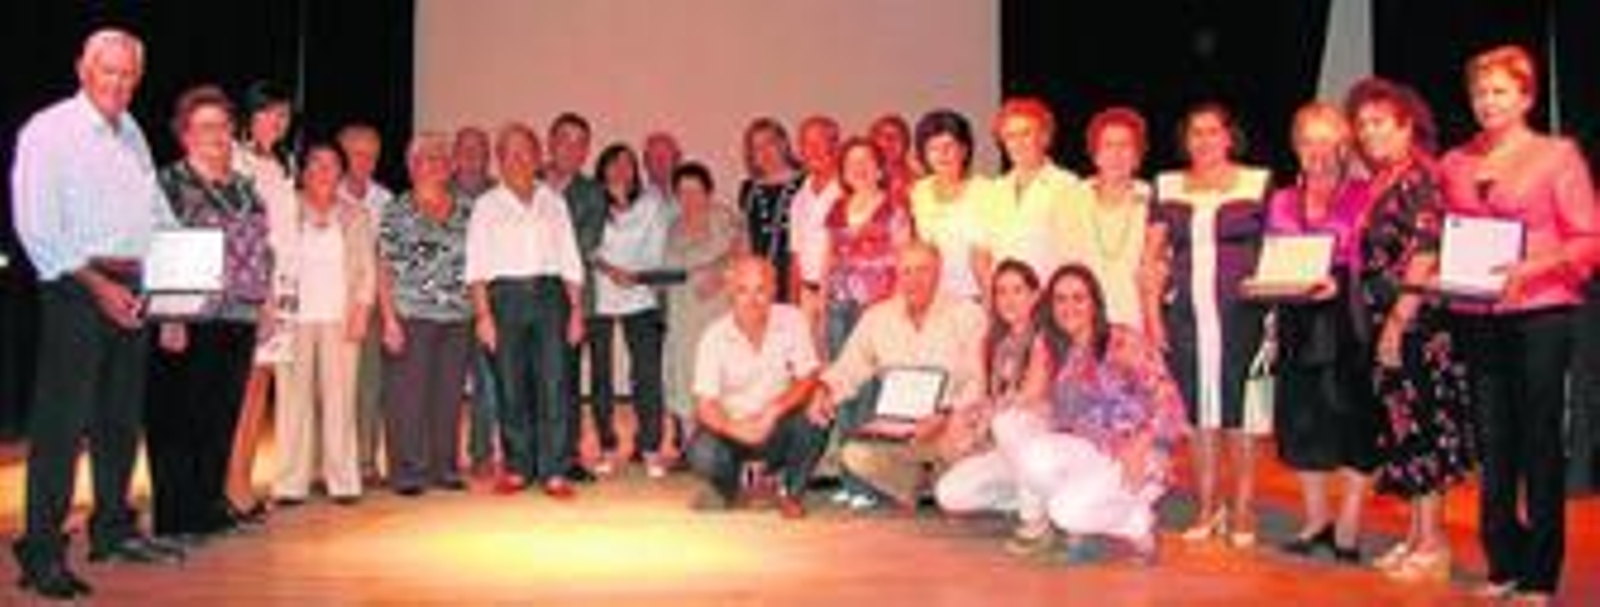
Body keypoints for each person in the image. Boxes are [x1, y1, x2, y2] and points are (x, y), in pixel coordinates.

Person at [10, 28, 183, 599]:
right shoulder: (49, 131)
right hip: (75, 287)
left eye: (129, 73)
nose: (119, 82)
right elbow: (37, 227)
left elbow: (154, 212)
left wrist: (174, 289)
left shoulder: (131, 131)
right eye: (109, 70)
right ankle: (40, 549)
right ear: (83, 70)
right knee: (61, 425)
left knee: (119, 419)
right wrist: (97, 285)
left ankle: (111, 530)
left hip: (131, 286)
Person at [1439, 45, 1598, 603]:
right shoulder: (1456, 161)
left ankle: (1540, 573)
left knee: (1538, 440)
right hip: (1478, 313)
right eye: (1480, 92)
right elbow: (1449, 232)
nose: (1488, 102)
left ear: (1527, 97)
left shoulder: (1557, 155)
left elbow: (1588, 238)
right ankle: (1503, 562)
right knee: (1493, 440)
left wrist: (1531, 268)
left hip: (1541, 312)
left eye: (1500, 91)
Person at [1345, 77, 1476, 583]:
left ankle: (1435, 544)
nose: (1368, 132)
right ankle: (1417, 536)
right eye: (1362, 124)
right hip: (1389, 320)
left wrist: (1398, 323)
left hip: (1417, 322)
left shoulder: (1421, 177)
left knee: (1424, 427)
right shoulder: (1386, 178)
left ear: (1407, 126)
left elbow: (1424, 253)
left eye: (1379, 122)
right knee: (1404, 427)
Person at [992, 264, 1188, 563]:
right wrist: (990, 413)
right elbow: (1051, 411)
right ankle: (1120, 518)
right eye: (1060, 299)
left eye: (1078, 298)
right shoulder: (1063, 352)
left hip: (1136, 454)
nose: (1069, 307)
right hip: (1092, 452)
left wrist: (1142, 442)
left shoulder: (1122, 340)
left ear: (1095, 302)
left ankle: (1138, 522)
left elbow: (1170, 401)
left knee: (1064, 513)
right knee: (1032, 453)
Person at [145, 85, 272, 543]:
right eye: (204, 127)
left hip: (238, 315)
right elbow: (154, 246)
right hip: (188, 317)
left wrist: (266, 304)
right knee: (179, 417)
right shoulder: (168, 184)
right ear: (185, 134)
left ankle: (208, 507)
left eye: (222, 125)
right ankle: (177, 516)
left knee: (220, 416)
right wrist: (170, 315)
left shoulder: (244, 186)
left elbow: (263, 247)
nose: (215, 135)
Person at [1148, 102, 1271, 548]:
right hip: (1186, 317)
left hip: (1243, 315)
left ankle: (1243, 507)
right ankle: (1207, 506)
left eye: (1212, 131)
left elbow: (1274, 249)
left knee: (1240, 412)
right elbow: (1151, 259)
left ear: (1229, 136)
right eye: (1195, 132)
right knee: (1199, 414)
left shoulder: (1257, 182)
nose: (1204, 140)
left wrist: (1275, 311)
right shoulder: (1167, 185)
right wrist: (1152, 317)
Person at [1265, 102, 1379, 563]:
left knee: (1354, 418)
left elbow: (1376, 259)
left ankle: (1348, 523)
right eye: (1308, 141)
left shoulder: (1364, 194)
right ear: (1296, 147)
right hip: (1297, 318)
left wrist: (1342, 282)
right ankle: (1315, 520)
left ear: (1344, 147)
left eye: (1327, 142)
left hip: (1347, 317)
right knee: (1302, 419)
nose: (1317, 152)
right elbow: (1272, 258)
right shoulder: (1281, 200)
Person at [811, 242, 987, 510]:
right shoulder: (877, 317)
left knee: (964, 456)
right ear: (898, 274)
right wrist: (825, 391)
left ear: (938, 272)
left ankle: (933, 483)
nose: (914, 280)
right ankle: (926, 484)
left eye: (923, 270)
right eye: (907, 271)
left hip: (952, 427)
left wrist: (945, 415)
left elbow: (977, 380)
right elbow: (849, 367)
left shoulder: (967, 313)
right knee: (854, 454)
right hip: (900, 433)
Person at [466, 122, 586, 499]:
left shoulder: (554, 202)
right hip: (504, 299)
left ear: (537, 157)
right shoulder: (486, 205)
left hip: (551, 297)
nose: (518, 158)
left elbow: (570, 258)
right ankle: (518, 467)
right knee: (510, 384)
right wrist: (483, 315)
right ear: (499, 160)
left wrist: (576, 310)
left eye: (525, 151)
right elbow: (476, 264)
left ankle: (554, 471)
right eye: (510, 152)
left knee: (554, 383)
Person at [272, 143, 377, 507]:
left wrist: (362, 309)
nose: (322, 170)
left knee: (341, 401)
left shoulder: (356, 214)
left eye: (331, 164)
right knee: (292, 401)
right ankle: (290, 483)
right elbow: (271, 260)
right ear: (303, 170)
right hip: (292, 318)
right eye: (315, 163)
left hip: (340, 317)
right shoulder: (285, 209)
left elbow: (366, 268)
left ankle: (343, 481)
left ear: (341, 173)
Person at [687, 255, 825, 518]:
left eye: (761, 290)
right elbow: (705, 405)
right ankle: (735, 490)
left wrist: (775, 409)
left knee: (816, 417)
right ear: (730, 293)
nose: (752, 300)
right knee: (702, 453)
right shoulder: (714, 337)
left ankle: (790, 493)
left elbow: (808, 375)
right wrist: (734, 427)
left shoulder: (793, 320)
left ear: (773, 289)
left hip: (777, 425)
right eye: (743, 290)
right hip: (733, 428)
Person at [817, 137, 915, 502]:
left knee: (872, 392)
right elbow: (828, 259)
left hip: (877, 310)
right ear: (843, 171)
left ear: (879, 168)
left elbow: (905, 263)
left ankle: (872, 483)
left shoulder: (895, 209)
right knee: (843, 390)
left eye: (866, 161)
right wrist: (822, 304)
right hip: (840, 308)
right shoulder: (837, 209)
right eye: (851, 163)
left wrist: (899, 311)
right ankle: (850, 480)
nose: (858, 169)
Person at [376, 132, 473, 496]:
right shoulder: (397, 208)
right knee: (407, 398)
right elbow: (383, 265)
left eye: (442, 157)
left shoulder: (467, 208)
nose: (435, 163)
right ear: (412, 165)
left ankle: (444, 467)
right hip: (409, 315)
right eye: (427, 157)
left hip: (457, 317)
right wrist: (389, 319)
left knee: (448, 396)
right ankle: (408, 472)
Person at [226, 79, 297, 523]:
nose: (277, 121)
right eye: (269, 112)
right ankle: (230, 488)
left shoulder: (280, 163)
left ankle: (242, 482)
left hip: (283, 286)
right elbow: (243, 231)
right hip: (253, 287)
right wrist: (261, 292)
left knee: (258, 390)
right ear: (249, 115)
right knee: (240, 390)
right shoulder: (236, 159)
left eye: (284, 114)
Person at [931, 260, 1052, 517]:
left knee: (1009, 422)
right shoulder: (993, 343)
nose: (1009, 300)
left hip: (1037, 438)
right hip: (1005, 446)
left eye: (1017, 290)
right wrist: (966, 418)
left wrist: (986, 420)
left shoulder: (1045, 338)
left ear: (1035, 296)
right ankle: (1030, 495)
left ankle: (1035, 509)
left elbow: (1030, 395)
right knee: (949, 494)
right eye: (1001, 292)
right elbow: (986, 397)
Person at [588, 143, 672, 478]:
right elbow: (586, 245)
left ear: (636, 170)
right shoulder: (592, 201)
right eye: (614, 163)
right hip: (600, 297)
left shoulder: (651, 203)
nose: (621, 170)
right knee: (601, 375)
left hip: (640, 295)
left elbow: (657, 249)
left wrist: (636, 276)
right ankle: (607, 446)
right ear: (603, 168)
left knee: (647, 374)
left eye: (628, 164)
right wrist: (611, 271)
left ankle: (650, 447)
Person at [663, 162, 747, 455]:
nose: (689, 198)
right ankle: (692, 449)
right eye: (682, 192)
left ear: (708, 192)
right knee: (685, 375)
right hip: (683, 311)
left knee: (721, 377)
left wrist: (717, 271)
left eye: (695, 191)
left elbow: (742, 254)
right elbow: (670, 268)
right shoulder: (673, 226)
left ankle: (727, 448)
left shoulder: (724, 218)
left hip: (718, 309)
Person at [545, 112, 605, 484]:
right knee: (528, 379)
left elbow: (584, 244)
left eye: (581, 143)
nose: (572, 148)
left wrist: (539, 249)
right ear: (551, 142)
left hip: (571, 300)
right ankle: (532, 454)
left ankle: (567, 456)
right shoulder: (527, 181)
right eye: (565, 139)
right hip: (524, 297)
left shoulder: (592, 193)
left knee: (566, 381)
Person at [1063, 107, 1162, 332]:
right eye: (1108, 145)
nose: (1116, 154)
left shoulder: (1153, 199)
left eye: (1125, 145)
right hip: (1082, 325)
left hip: (1137, 324)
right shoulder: (1072, 199)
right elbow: (1064, 266)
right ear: (1095, 153)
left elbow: (1161, 269)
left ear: (1137, 155)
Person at [338, 122, 394, 485]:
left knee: (370, 386)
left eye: (372, 155)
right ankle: (330, 463)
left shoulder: (384, 200)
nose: (365, 161)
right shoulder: (325, 189)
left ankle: (366, 461)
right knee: (332, 388)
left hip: (370, 303)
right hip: (329, 304)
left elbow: (386, 257)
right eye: (357, 154)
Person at [451, 125, 502, 478]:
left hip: (489, 306)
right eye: (465, 149)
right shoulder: (438, 192)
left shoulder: (501, 195)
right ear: (455, 155)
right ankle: (442, 455)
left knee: (489, 385)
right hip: (448, 307)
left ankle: (481, 453)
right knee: (446, 386)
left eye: (479, 150)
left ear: (488, 157)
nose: (472, 156)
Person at [986, 97, 1079, 278]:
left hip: (1048, 291)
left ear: (1044, 137)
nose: (1018, 143)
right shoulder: (995, 189)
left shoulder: (1066, 185)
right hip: (1004, 293)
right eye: (1010, 136)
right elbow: (989, 251)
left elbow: (1075, 253)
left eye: (1026, 134)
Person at [910, 108, 994, 301]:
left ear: (964, 150)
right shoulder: (919, 191)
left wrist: (989, 302)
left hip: (974, 296)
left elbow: (984, 255)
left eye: (949, 146)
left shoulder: (986, 190)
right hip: (934, 297)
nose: (942, 155)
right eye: (933, 148)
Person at [787, 115, 842, 351]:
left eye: (820, 142)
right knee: (807, 364)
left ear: (835, 145)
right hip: (806, 296)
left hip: (838, 296)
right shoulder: (800, 196)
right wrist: (793, 306)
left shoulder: (847, 190)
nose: (813, 150)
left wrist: (828, 297)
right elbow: (796, 256)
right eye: (806, 144)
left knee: (837, 363)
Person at [736, 117, 804, 302]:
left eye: (769, 143)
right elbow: (745, 238)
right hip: (759, 281)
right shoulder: (748, 188)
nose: (765, 152)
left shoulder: (805, 182)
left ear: (783, 144)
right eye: (757, 147)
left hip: (795, 278)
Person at [870, 113, 921, 203]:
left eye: (897, 135)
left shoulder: (919, 178)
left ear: (906, 143)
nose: (889, 140)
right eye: (882, 135)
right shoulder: (864, 178)